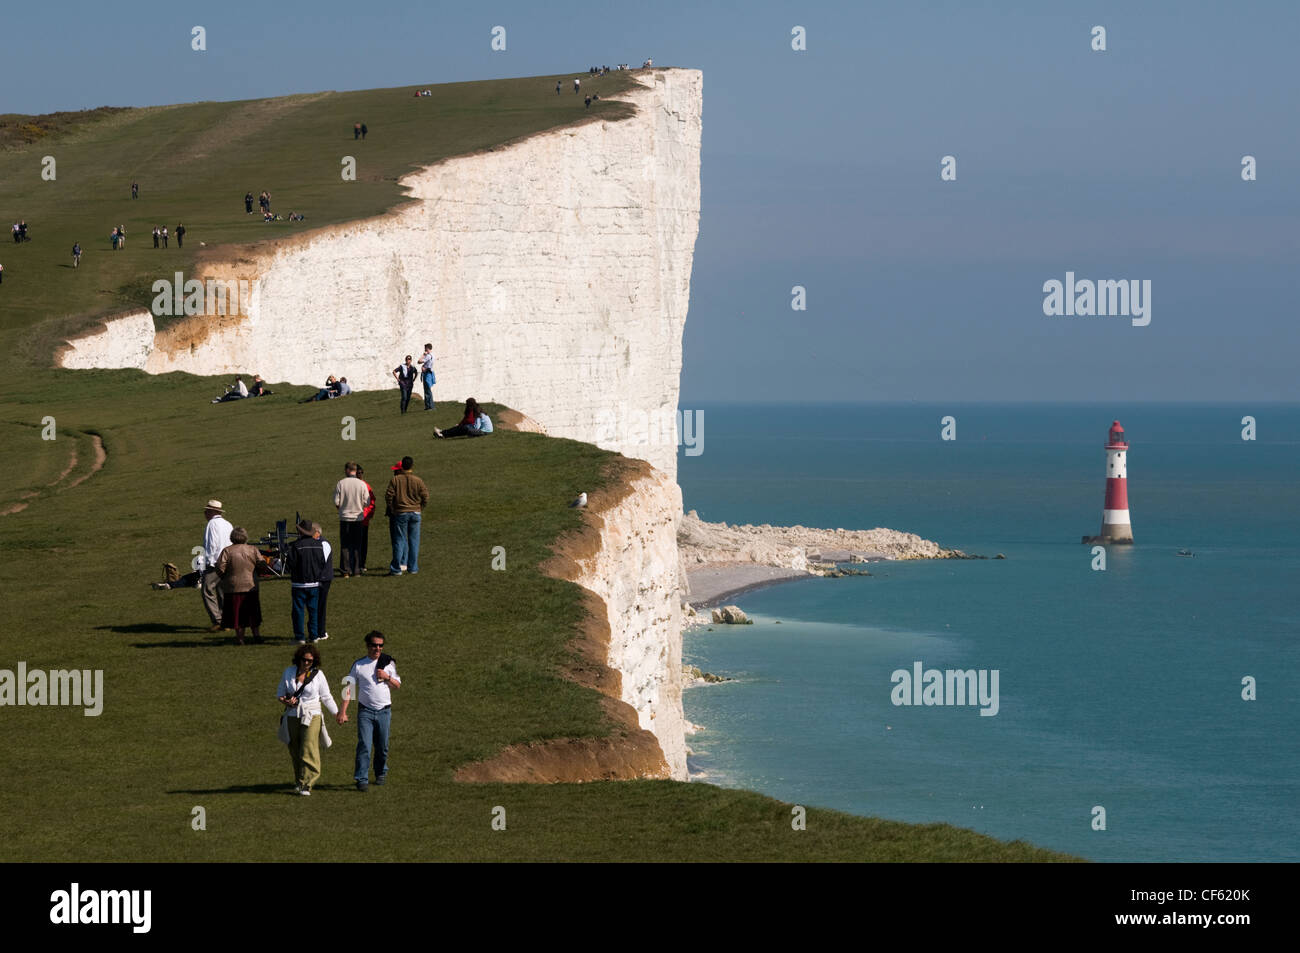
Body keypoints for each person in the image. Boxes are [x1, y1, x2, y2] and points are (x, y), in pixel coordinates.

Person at [337, 631, 400, 791]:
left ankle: (380, 772)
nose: (377, 648)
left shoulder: (388, 663)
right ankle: (361, 778)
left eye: (380, 645)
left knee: (382, 746)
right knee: (364, 744)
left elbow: (397, 685)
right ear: (367, 646)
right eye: (374, 645)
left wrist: (387, 677)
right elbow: (348, 688)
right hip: (365, 711)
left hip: (384, 711)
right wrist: (342, 712)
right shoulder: (358, 665)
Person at [276, 643, 337, 795]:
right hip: (292, 714)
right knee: (294, 749)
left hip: (312, 714)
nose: (307, 663)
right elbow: (280, 693)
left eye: (310, 661)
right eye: (304, 660)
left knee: (308, 747)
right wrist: (286, 701)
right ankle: (299, 780)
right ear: (298, 659)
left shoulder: (318, 675)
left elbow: (326, 696)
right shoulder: (289, 672)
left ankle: (307, 783)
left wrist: (337, 713)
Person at [216, 526, 265, 644]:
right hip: (250, 586)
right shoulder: (253, 549)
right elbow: (262, 565)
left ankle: (240, 638)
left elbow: (219, 568)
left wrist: (225, 578)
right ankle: (256, 635)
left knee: (237, 614)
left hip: (233, 587)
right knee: (253, 612)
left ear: (232, 537)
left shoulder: (227, 551)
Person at [385, 456, 428, 575]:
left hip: (401, 513)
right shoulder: (418, 480)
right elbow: (425, 496)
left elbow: (388, 496)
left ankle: (396, 568)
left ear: (402, 466)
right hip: (415, 513)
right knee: (414, 541)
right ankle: (413, 568)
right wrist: (420, 507)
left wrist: (392, 508)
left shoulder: (396, 480)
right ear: (412, 466)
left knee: (399, 540)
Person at [285, 518, 326, 643]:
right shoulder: (318, 545)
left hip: (299, 583)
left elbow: (290, 565)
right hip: (314, 582)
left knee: (298, 611)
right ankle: (314, 636)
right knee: (313, 610)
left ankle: (300, 637)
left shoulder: (296, 546)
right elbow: (322, 562)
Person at [201, 500, 234, 631]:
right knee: (222, 591)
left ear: (212, 511)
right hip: (228, 561)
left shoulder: (212, 524)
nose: (205, 513)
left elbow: (212, 544)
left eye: (207, 510)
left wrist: (208, 562)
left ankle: (218, 620)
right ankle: (227, 620)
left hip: (215, 562)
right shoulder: (228, 524)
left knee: (207, 589)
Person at [334, 462, 369, 577]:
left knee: (345, 544)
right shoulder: (361, 484)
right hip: (358, 518)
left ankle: (345, 571)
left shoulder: (341, 483)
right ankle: (356, 570)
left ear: (348, 470)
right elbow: (367, 502)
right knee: (357, 544)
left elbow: (336, 502)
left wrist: (342, 509)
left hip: (345, 518)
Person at [312, 522, 333, 642]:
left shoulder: (324, 543)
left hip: (323, 579)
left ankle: (321, 631)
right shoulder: (317, 543)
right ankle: (318, 631)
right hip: (317, 578)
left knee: (320, 605)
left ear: (317, 533)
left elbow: (321, 561)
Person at [356, 464, 376, 574]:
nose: (360, 475)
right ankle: (356, 564)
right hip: (355, 519)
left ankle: (361, 564)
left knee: (363, 543)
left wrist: (368, 514)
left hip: (363, 519)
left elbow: (372, 502)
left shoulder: (366, 486)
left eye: (361, 472)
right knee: (355, 543)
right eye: (358, 473)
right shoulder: (360, 485)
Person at [419, 343, 436, 410]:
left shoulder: (428, 356)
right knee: (427, 390)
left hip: (427, 374)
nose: (424, 350)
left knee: (427, 390)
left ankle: (430, 406)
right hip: (429, 373)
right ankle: (428, 406)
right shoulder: (432, 355)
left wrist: (423, 355)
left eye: (425, 348)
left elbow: (419, 361)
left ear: (428, 348)